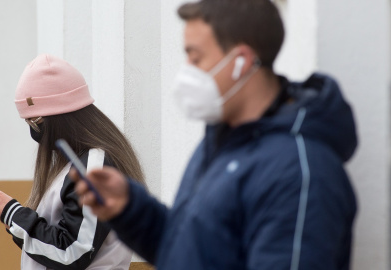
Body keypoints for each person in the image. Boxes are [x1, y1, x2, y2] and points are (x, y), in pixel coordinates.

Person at [73, 0, 358, 269]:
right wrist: (130, 208)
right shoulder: (221, 142)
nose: (186, 73)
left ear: (241, 61)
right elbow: (193, 253)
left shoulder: (299, 172)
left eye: (195, 59)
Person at [0, 54, 146, 270]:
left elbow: (71, 252)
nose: (33, 131)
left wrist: (11, 213)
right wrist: (11, 214)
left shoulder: (94, 168)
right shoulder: (80, 165)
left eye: (34, 121)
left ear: (59, 116)